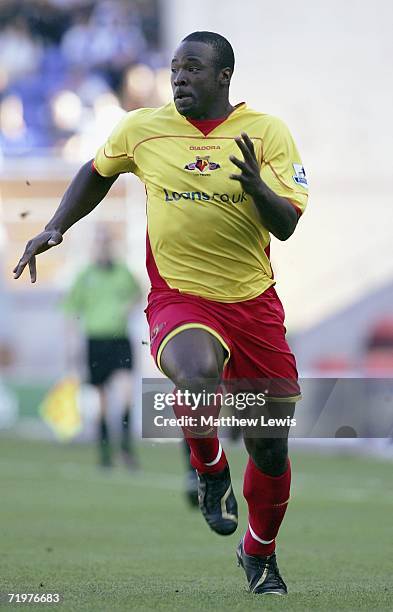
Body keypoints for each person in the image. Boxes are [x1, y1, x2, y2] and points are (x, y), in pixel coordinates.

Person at [13, 31, 309, 596]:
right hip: (180, 295)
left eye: (193, 69)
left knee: (270, 444)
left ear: (224, 76)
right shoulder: (142, 128)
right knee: (194, 373)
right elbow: (98, 171)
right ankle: (209, 467)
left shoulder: (267, 133)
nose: (179, 79)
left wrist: (255, 188)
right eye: (175, 69)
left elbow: (288, 223)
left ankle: (260, 553)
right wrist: (55, 226)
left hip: (253, 304)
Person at [62, 227, 141, 468]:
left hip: (120, 340)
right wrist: (71, 344)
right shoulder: (84, 276)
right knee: (102, 399)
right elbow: (71, 310)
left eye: (107, 243)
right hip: (95, 341)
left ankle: (126, 450)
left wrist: (130, 305)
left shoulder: (123, 272)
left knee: (127, 392)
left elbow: (138, 293)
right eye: (99, 243)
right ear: (93, 247)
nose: (103, 248)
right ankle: (105, 453)